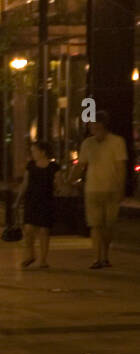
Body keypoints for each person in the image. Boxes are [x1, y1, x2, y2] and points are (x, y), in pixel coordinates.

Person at [74, 110, 128, 268]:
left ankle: (104, 254)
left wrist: (120, 188)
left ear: (103, 125)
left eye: (95, 125)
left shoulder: (117, 142)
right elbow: (81, 165)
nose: (92, 128)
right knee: (95, 225)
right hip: (92, 189)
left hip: (111, 188)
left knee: (108, 225)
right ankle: (98, 258)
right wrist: (69, 180)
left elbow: (121, 167)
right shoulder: (87, 144)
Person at [14, 140, 59, 268]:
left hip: (46, 201)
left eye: (34, 151)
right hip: (32, 200)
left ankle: (43, 259)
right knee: (28, 229)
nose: (32, 153)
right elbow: (25, 183)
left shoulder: (53, 167)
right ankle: (31, 254)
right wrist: (18, 199)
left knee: (44, 231)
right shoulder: (31, 166)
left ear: (42, 152)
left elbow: (58, 183)